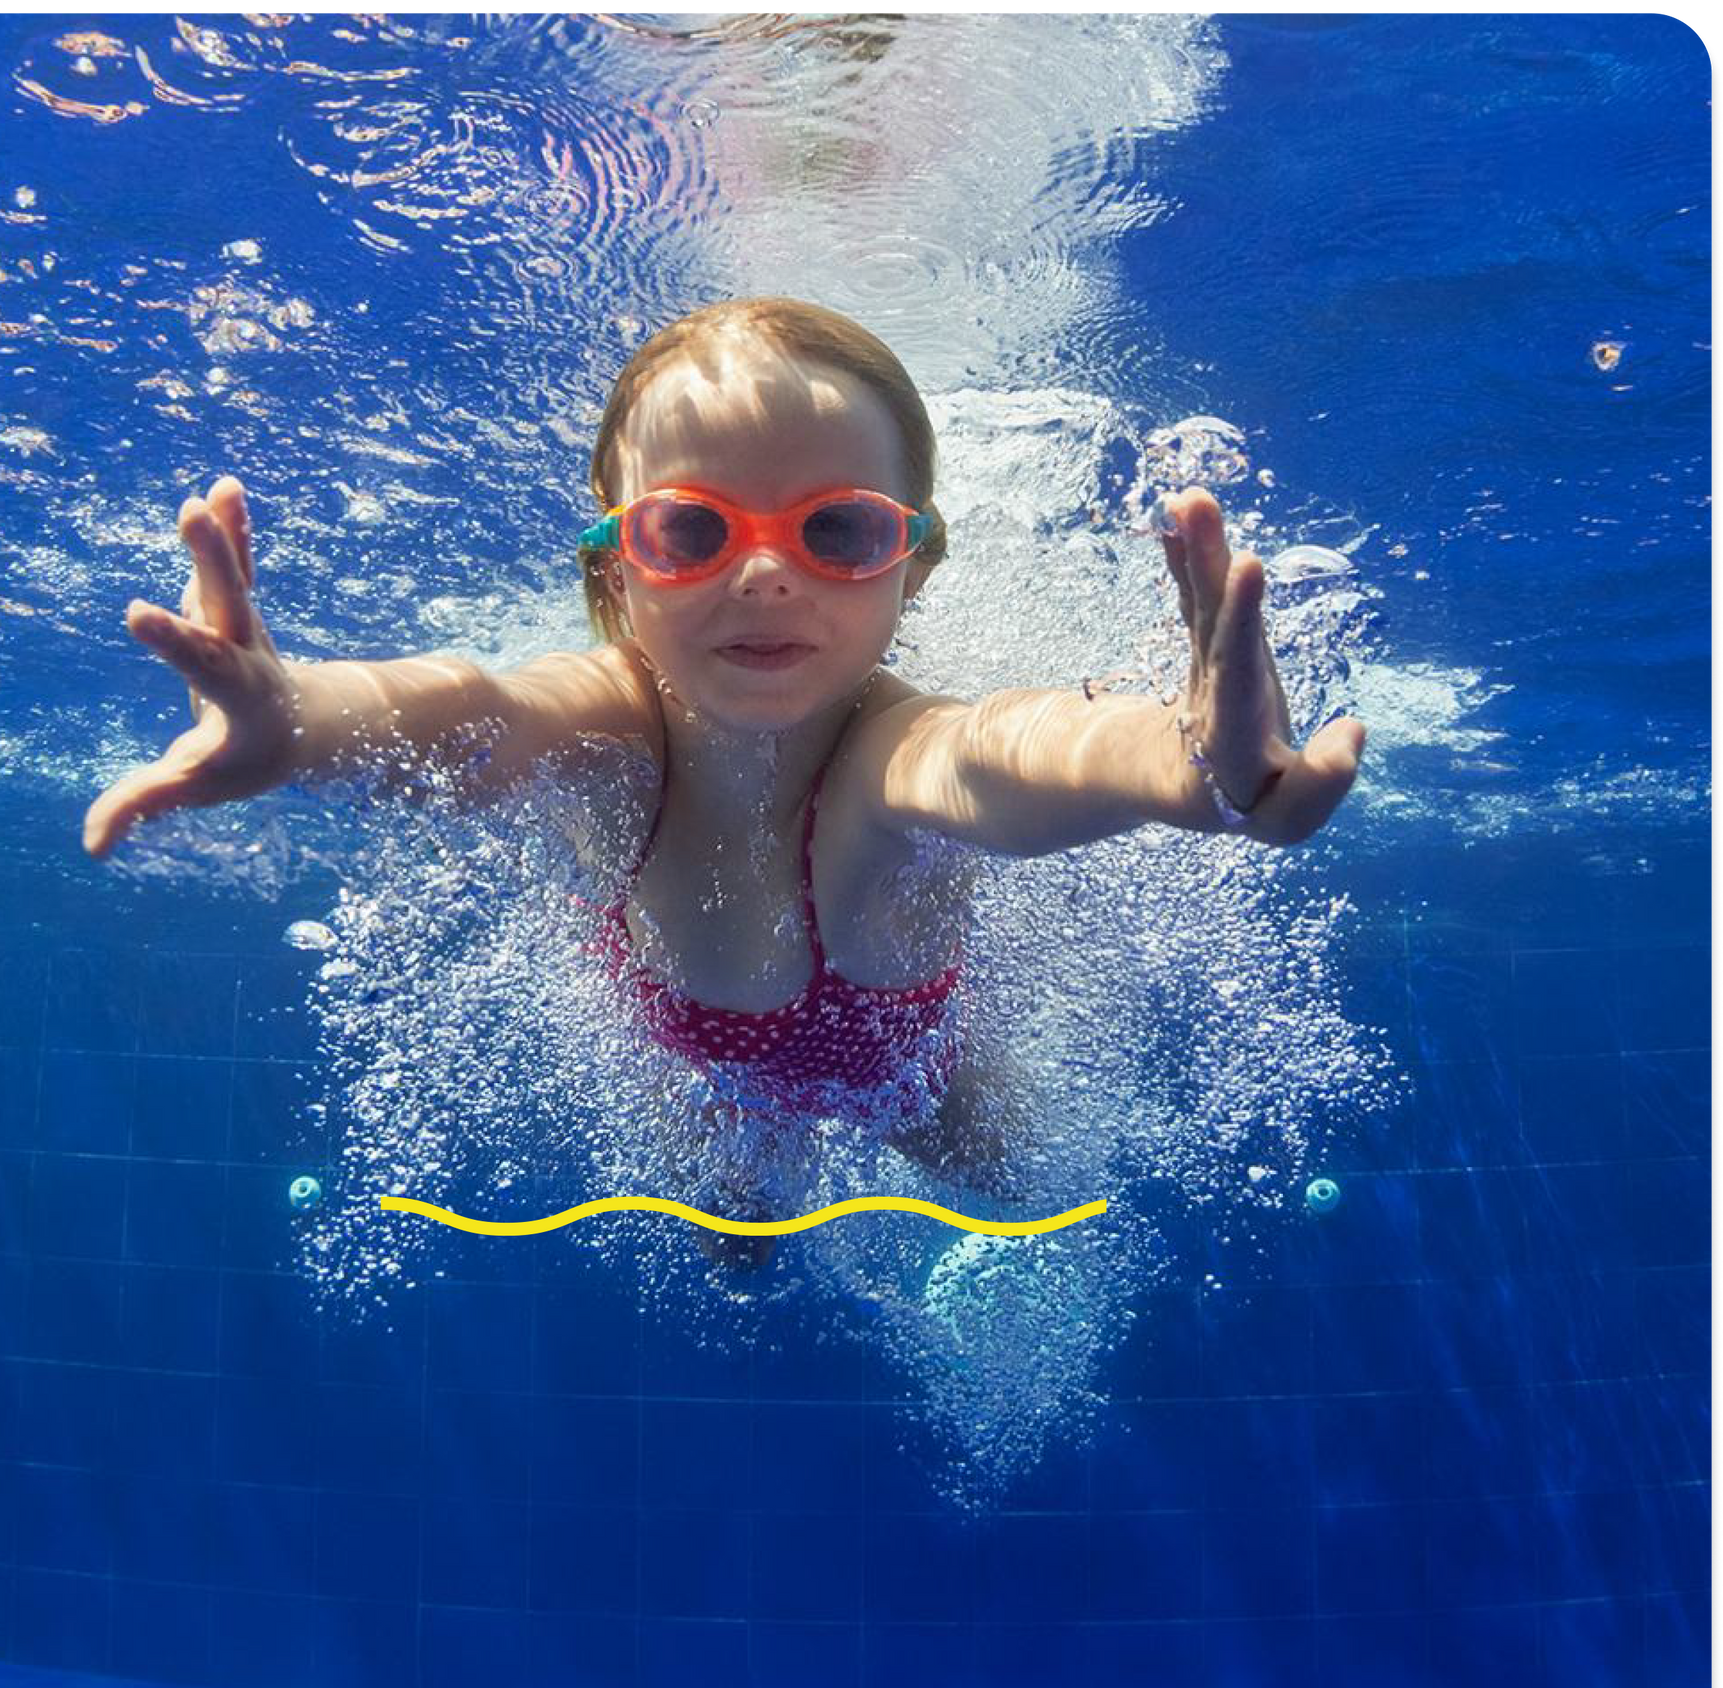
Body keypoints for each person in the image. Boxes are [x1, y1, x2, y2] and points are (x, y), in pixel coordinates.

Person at [83, 297, 1366, 1261]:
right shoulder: (610, 728)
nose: (765, 575)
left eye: (840, 532)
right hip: (704, 1070)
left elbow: (1013, 753)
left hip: (917, 1062)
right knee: (735, 1245)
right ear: (616, 569)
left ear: (910, 566)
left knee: (1016, 1200)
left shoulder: (892, 749)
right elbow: (475, 707)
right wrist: (303, 718)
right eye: (691, 531)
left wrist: (1193, 766)